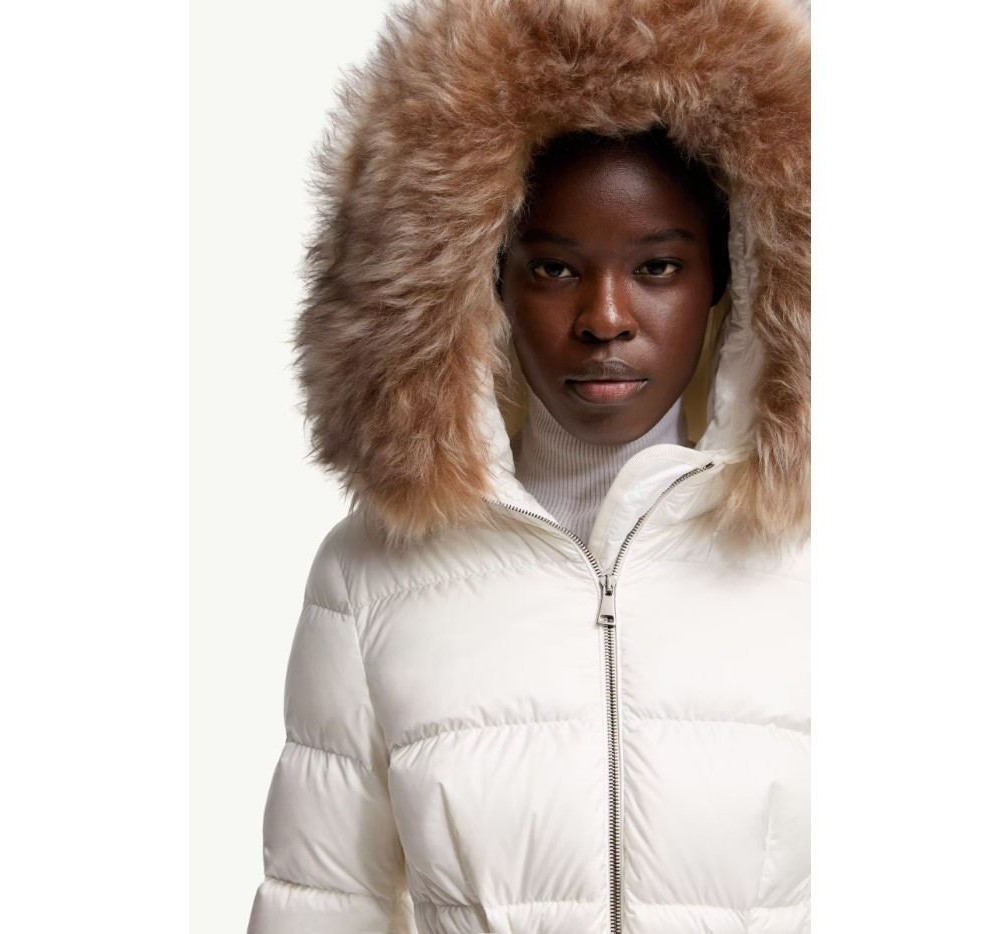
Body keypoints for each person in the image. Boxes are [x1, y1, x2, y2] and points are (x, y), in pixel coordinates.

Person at [247, 0, 810, 932]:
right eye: (554, 269)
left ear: (732, 280)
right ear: (486, 283)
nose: (606, 318)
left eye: (658, 268)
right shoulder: (370, 574)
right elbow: (322, 904)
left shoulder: (817, 557)